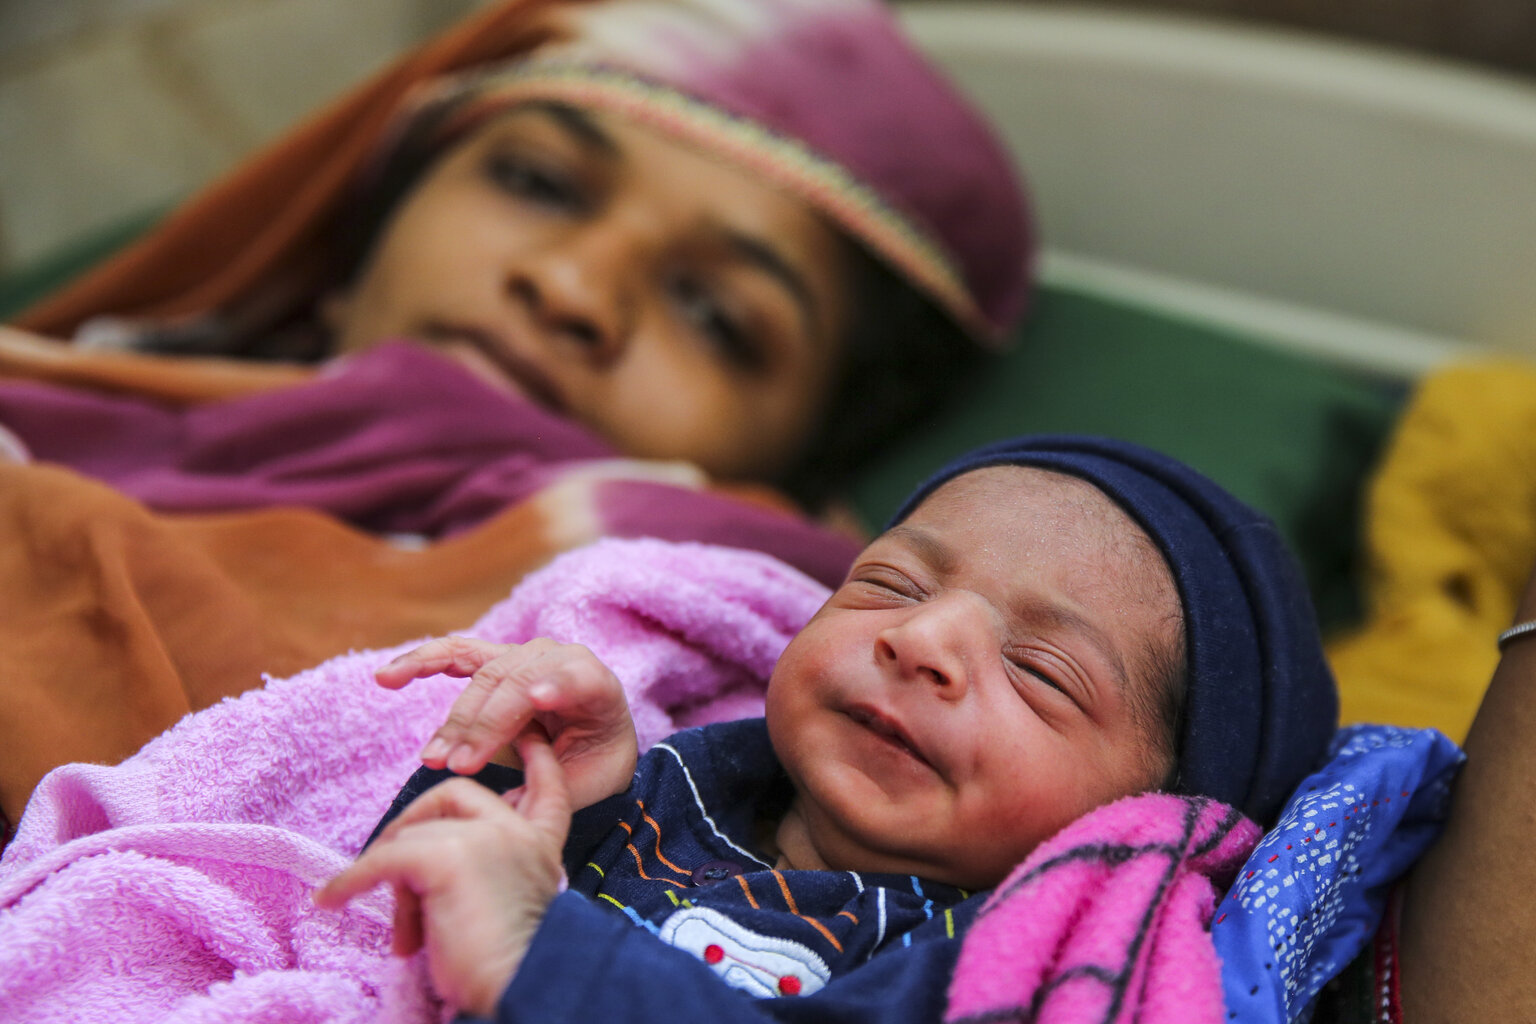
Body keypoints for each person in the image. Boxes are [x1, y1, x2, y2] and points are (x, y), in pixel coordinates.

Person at [0, 0, 1032, 836]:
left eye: (715, 313)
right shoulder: (65, 403)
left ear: (806, 454)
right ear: (358, 233)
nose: (572, 287)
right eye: (537, 181)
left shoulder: (697, 680)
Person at [315, 435, 1339, 1021]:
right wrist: (528, 778)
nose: (921, 638)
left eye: (1040, 670)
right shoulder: (672, 792)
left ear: (1148, 814)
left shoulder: (988, 961)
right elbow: (377, 920)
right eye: (889, 584)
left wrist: (544, 956)